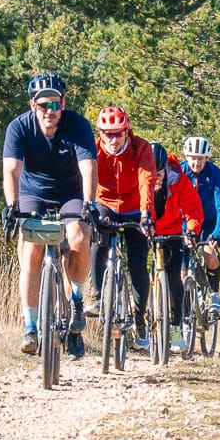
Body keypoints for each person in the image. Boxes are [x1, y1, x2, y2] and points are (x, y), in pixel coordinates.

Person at [0, 73, 97, 355]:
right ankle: (30, 326)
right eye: (43, 105)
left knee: (79, 237)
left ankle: (76, 299)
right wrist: (12, 204)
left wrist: (89, 204)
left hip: (71, 193)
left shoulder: (78, 125)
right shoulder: (19, 127)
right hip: (34, 194)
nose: (49, 112)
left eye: (55, 105)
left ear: (63, 104)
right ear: (33, 105)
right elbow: (11, 170)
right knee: (31, 249)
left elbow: (88, 167)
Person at [90, 105, 161, 351]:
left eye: (118, 133)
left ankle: (140, 319)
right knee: (98, 241)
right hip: (105, 202)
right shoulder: (94, 148)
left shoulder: (141, 148)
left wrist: (145, 213)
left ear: (126, 131)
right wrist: (87, 206)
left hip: (134, 206)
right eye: (107, 133)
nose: (112, 139)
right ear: (100, 133)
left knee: (138, 263)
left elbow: (147, 180)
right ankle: (98, 297)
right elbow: (85, 176)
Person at [148, 141, 207, 353]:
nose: (156, 180)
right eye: (151, 175)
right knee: (139, 271)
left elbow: (193, 208)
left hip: (172, 230)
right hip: (145, 229)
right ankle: (142, 322)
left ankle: (175, 328)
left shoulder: (178, 178)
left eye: (160, 175)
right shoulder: (136, 178)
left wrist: (191, 229)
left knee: (174, 277)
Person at [182, 136, 220, 317]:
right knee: (182, 272)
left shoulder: (214, 173)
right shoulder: (179, 171)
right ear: (187, 157)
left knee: (209, 252)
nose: (196, 162)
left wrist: (218, 234)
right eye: (193, 158)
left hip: (208, 221)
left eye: (200, 158)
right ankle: (185, 318)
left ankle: (215, 295)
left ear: (206, 159)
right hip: (185, 222)